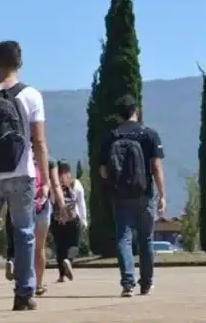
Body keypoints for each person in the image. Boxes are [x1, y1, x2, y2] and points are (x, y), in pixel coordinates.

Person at [0, 40, 64, 313]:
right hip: (22, 174)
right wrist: (44, 179)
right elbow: (40, 142)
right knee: (24, 233)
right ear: (20, 63)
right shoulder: (31, 95)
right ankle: (23, 294)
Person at [99, 95, 166, 298]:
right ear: (136, 111)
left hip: (120, 196)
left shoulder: (111, 137)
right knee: (146, 238)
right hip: (144, 193)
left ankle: (127, 282)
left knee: (123, 238)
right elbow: (156, 167)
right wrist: (162, 195)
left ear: (119, 116)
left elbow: (103, 171)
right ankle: (146, 283)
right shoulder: (149, 135)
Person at [5, 161, 56, 297]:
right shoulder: (49, 161)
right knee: (40, 247)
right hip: (42, 206)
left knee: (24, 243)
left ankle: (21, 276)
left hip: (22, 204)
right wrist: (61, 204)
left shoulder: (19, 155)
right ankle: (38, 284)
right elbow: (55, 184)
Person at [51, 160, 87, 283]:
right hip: (73, 218)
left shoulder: (54, 184)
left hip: (57, 219)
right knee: (74, 244)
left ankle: (61, 275)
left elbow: (51, 201)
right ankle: (69, 260)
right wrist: (84, 220)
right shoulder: (75, 183)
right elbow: (81, 203)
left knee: (60, 246)